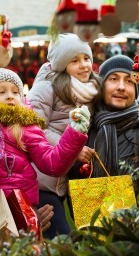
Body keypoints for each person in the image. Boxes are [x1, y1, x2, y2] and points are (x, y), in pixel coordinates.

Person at [0, 68, 90, 227]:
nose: (9, 96)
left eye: (15, 92)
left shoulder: (25, 126)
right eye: (1, 91)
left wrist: (73, 133)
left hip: (20, 207)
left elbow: (52, 163)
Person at [27, 33, 100, 238]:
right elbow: (34, 128)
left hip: (60, 182)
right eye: (74, 61)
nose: (84, 65)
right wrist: (71, 148)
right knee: (62, 240)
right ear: (61, 65)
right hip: (41, 179)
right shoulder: (46, 87)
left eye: (86, 58)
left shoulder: (89, 90)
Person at [69, 55, 139, 179]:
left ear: (135, 92)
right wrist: (72, 155)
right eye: (113, 79)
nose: (121, 87)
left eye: (129, 81)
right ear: (101, 86)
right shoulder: (81, 130)